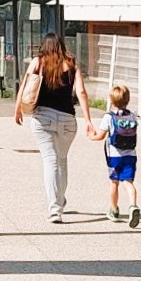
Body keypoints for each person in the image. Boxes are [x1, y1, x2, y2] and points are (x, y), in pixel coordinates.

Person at [14, 33, 94, 223]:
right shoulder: (72, 64)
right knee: (62, 160)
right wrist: (88, 120)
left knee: (50, 161)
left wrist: (17, 108)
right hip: (68, 120)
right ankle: (59, 200)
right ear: (61, 45)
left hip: (43, 118)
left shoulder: (38, 62)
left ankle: (54, 209)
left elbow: (25, 85)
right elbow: (81, 92)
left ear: (45, 45)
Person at [88, 84, 141, 228]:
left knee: (114, 183)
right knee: (128, 182)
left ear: (111, 100)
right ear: (128, 100)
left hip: (114, 156)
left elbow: (100, 136)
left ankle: (114, 209)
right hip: (130, 154)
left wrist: (91, 136)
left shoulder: (109, 117)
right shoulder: (132, 116)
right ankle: (133, 205)